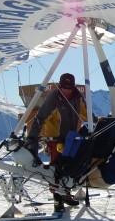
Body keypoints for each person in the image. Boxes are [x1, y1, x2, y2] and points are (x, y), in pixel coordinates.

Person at [26, 73, 87, 212]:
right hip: (56, 138)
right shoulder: (54, 97)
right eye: (64, 87)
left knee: (69, 168)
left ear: (73, 86)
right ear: (60, 85)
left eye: (69, 87)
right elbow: (40, 117)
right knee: (56, 169)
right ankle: (57, 201)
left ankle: (65, 193)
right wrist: (32, 137)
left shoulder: (77, 97)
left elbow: (85, 112)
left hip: (72, 138)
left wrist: (96, 120)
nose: (67, 90)